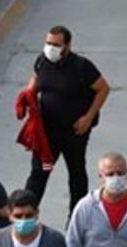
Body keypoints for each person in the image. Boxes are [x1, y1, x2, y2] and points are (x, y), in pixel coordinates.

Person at [24, 26, 110, 213]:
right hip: (47, 132)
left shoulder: (82, 66)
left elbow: (103, 89)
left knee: (76, 172)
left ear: (67, 46)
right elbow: (37, 79)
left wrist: (88, 117)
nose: (50, 48)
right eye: (48, 43)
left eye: (56, 44)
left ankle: (77, 217)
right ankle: (26, 214)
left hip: (74, 132)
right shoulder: (42, 61)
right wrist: (29, 93)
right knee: (39, 173)